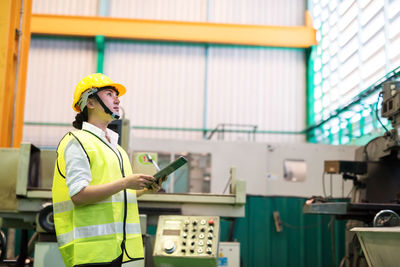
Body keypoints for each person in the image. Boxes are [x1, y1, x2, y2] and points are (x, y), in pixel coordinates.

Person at [52, 73, 162, 267]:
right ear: (91, 103)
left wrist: (144, 189)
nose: (117, 99)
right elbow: (78, 195)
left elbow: (117, 197)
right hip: (89, 251)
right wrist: (126, 182)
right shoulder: (77, 141)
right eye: (110, 94)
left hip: (116, 249)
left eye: (116, 95)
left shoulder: (116, 149)